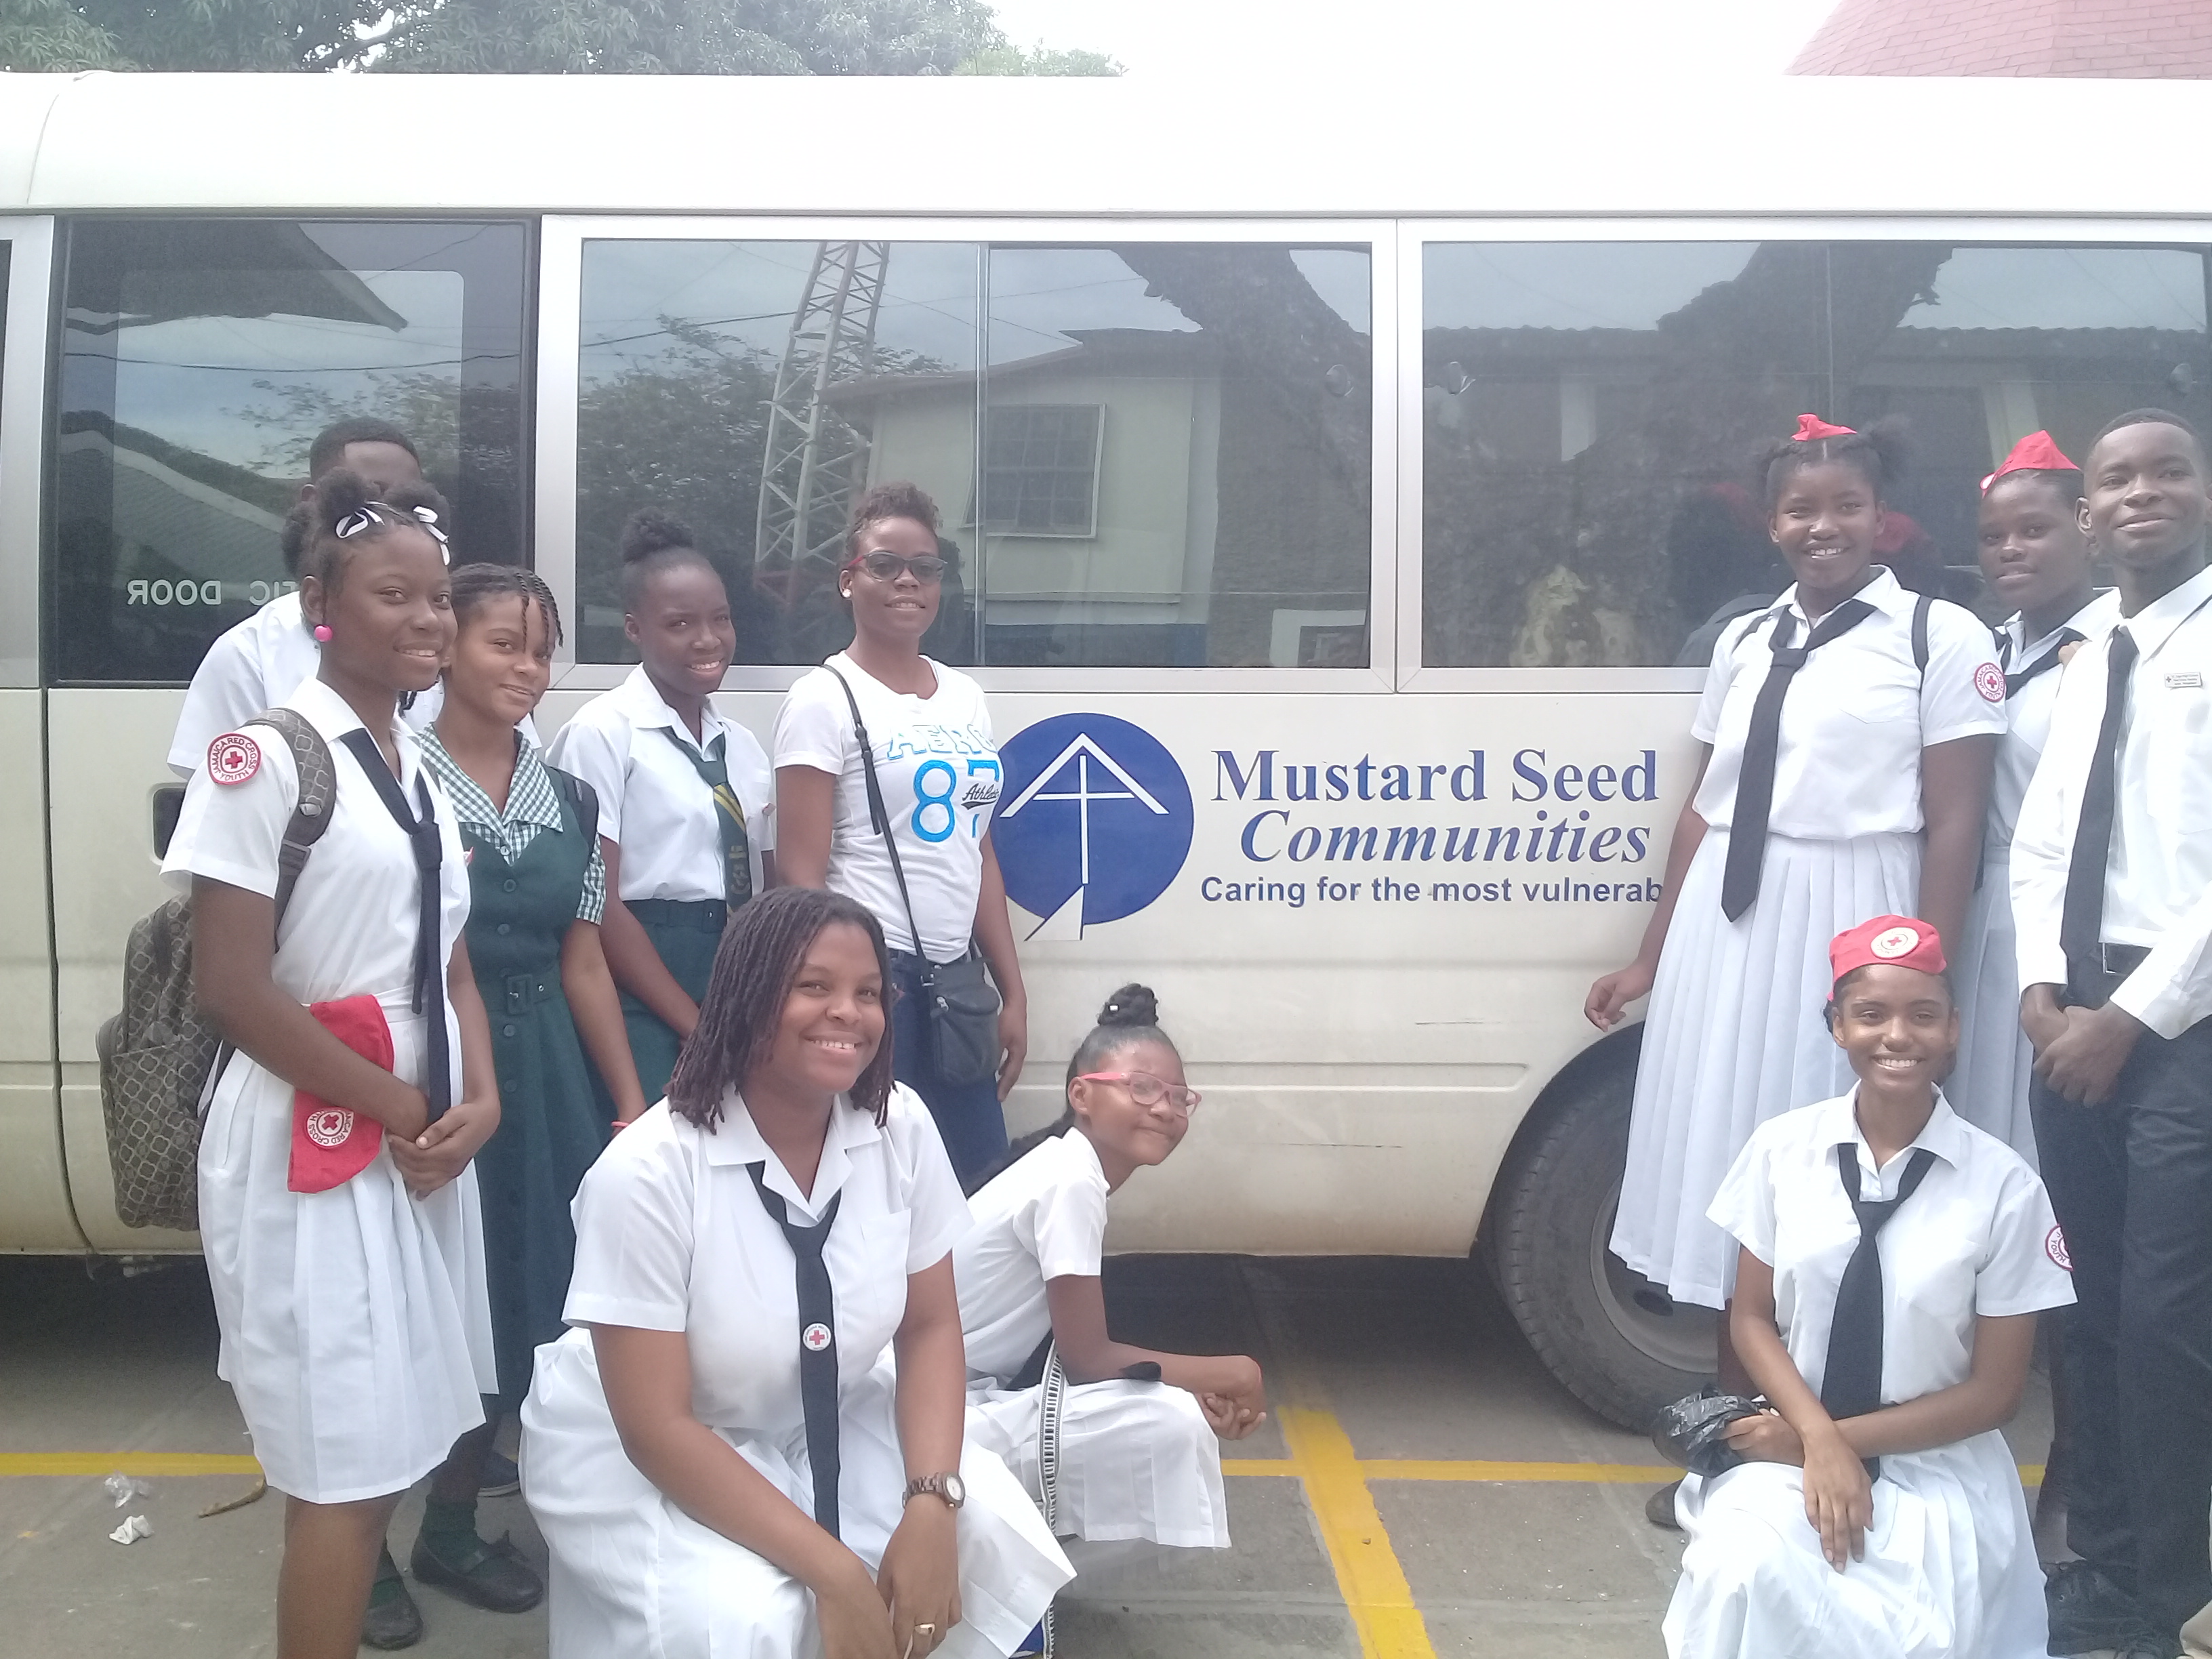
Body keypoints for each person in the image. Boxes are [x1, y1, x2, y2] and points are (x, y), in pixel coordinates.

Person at [1589, 415, 2003, 1527]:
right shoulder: (1743, 639)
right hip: (1728, 932)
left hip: (1852, 915)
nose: (1823, 526)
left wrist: (1923, 984)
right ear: (1769, 523)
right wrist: (1649, 954)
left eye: (1845, 506)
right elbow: (1703, 807)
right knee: (1736, 1172)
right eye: (1799, 509)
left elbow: (1955, 822)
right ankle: (1739, 1447)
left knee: (1834, 1181)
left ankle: (1830, 1443)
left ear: (1881, 516)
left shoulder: (1938, 636)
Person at [519, 884, 1071, 1659]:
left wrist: (932, 1501)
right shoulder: (647, 1172)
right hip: (656, 1442)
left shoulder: (900, 1126)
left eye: (869, 993)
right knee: (752, 1615)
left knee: (983, 1531)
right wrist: (834, 1573)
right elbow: (657, 1428)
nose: (849, 1012)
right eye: (814, 986)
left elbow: (928, 1327)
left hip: (822, 1412)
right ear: (747, 998)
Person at [161, 470, 500, 1659]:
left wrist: (481, 1099)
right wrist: (402, 1101)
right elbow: (233, 987)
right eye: (392, 595)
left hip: (415, 1143)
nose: (427, 619)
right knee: (342, 1479)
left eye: (439, 597)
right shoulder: (264, 758)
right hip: (313, 1143)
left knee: (390, 1455)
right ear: (319, 604)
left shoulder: (416, 765)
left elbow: (448, 966)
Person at [1664, 915, 2073, 1659]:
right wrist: (1815, 1439)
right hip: (1796, 1438)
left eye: (1923, 1016)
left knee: (1917, 1633)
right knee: (1739, 1568)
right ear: (1837, 1026)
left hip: (1935, 1465)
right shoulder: (1782, 1150)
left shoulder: (2005, 1188)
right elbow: (1751, 1318)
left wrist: (1830, 1443)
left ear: (1953, 1030)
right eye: (1871, 1014)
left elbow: (1996, 1394)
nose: (1897, 1036)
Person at [377, 564, 649, 1631]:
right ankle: (359, 1548)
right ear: (445, 646)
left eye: (542, 650)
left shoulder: (571, 796)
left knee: (527, 1312)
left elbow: (584, 961)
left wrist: (628, 1105)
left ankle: (450, 1529)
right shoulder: (394, 777)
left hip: (545, 1084)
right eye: (504, 643)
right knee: (412, 1315)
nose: (528, 669)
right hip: (428, 1070)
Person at [2012, 408, 2212, 1659]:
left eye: (2168, 472)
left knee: (2164, 1317)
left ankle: (2164, 1595)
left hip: (2182, 1023)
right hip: (2071, 1014)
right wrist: (2040, 984)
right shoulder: (2096, 652)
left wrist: (2129, 1018)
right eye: (2117, 480)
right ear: (2087, 514)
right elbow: (2046, 834)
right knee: (2082, 1304)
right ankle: (2102, 1562)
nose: (2143, 492)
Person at [956, 985, 1265, 1601]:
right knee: (1172, 1426)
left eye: (1179, 1097)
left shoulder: (1066, 1168)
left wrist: (1190, 1379)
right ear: (1082, 1096)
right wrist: (1236, 1372)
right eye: (1143, 1088)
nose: (1166, 1109)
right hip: (913, 1419)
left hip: (943, 1401)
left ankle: (1007, 1579)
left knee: (1165, 1405)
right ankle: (1011, 1594)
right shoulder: (1070, 1180)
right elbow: (1089, 1359)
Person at [774, 482, 1027, 1185]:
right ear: (848, 580)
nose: (908, 580)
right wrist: (842, 996)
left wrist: (1011, 991)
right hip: (874, 984)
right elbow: (800, 876)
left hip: (956, 984)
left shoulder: (965, 697)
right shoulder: (822, 698)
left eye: (926, 566)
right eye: (885, 565)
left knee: (977, 1181)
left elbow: (977, 848)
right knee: (872, 1180)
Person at [545, 508, 773, 1112]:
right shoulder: (602, 733)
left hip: (737, 971)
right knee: (656, 1137)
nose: (708, 640)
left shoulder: (742, 747)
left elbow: (769, 884)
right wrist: (695, 1025)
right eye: (680, 624)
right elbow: (598, 901)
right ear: (634, 628)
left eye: (721, 619)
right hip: (638, 975)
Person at [1947, 432, 2116, 1158]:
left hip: (2067, 913)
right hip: (1975, 908)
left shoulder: (2124, 646)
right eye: (1993, 537)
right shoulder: (1980, 647)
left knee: (2044, 1119)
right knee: (1971, 1099)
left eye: (2034, 530)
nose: (2009, 550)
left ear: (2087, 527)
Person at [168, 418, 432, 776]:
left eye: (409, 502)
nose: (393, 518)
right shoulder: (249, 654)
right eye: (371, 496)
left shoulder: (450, 640)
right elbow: (222, 792)